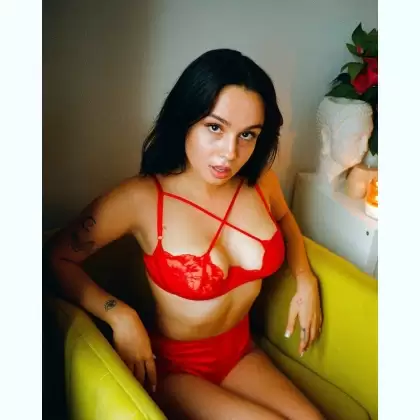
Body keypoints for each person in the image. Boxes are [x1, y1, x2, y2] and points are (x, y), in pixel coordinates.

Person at [48, 49, 324, 420]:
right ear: (186, 120)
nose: (230, 153)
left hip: (240, 351)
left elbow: (285, 219)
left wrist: (305, 278)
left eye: (247, 135)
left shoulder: (261, 183)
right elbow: (57, 256)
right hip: (173, 366)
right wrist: (119, 314)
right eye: (215, 127)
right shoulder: (142, 199)